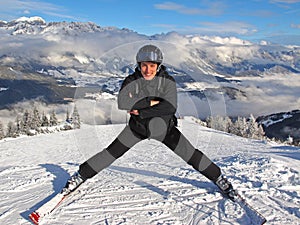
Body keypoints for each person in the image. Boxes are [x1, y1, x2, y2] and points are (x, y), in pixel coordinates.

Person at [62, 44, 236, 201]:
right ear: (139, 65)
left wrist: (140, 106)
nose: (147, 70)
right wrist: (153, 103)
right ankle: (80, 176)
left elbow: (170, 107)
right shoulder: (131, 80)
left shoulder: (167, 81)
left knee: (191, 155)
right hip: (137, 128)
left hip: (164, 129)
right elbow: (123, 103)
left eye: (152, 66)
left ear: (158, 66)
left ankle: (219, 178)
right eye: (144, 65)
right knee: (110, 153)